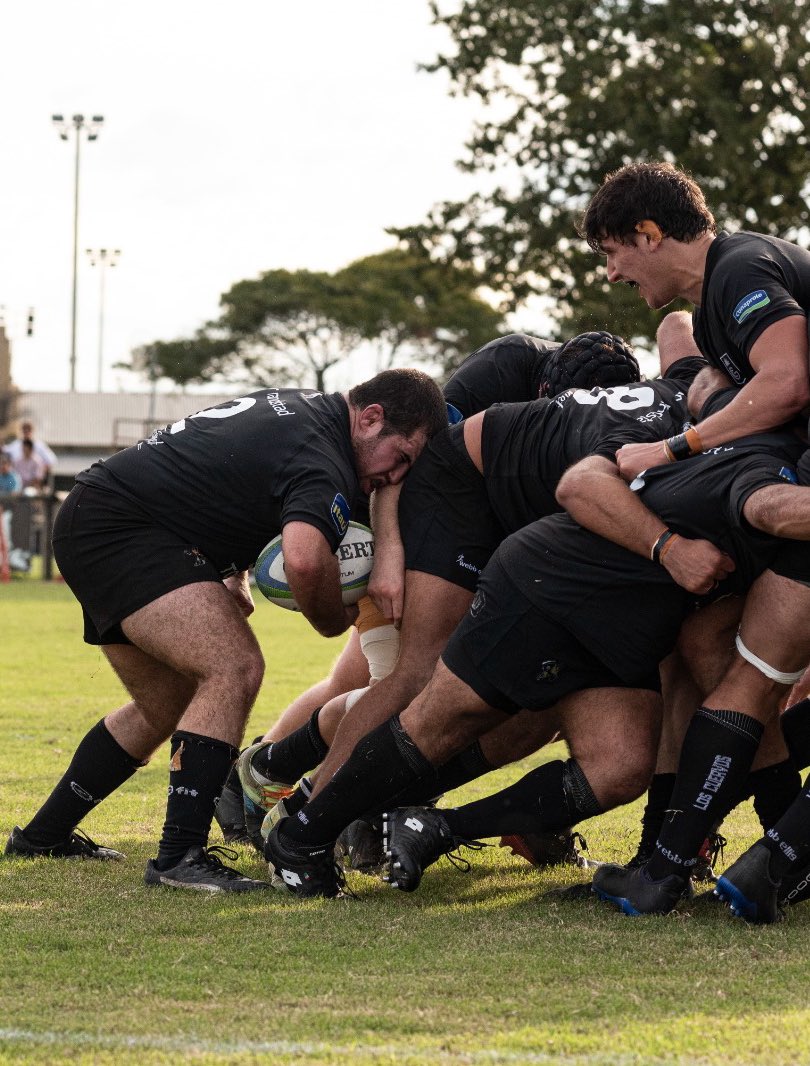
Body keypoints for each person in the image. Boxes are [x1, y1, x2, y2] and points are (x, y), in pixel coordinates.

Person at [263, 412, 810, 898]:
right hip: (548, 587)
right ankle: (301, 835)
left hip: (625, 625)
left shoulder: (728, 414)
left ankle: (432, 826)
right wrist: (670, 547)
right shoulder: (769, 459)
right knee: (440, 719)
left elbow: (689, 349)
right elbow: (768, 506)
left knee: (619, 767)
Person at [3, 370, 446, 894]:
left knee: (164, 703)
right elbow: (304, 563)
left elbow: (219, 480)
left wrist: (231, 572)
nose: (395, 477)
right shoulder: (325, 460)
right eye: (402, 456)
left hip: (103, 515)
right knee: (233, 668)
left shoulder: (296, 405)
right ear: (370, 418)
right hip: (125, 530)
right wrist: (335, 619)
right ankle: (178, 857)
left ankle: (42, 836)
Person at [579, 160, 810, 481]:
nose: (612, 273)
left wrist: (669, 449)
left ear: (649, 234)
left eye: (612, 252)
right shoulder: (706, 320)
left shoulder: (739, 269)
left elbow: (788, 383)